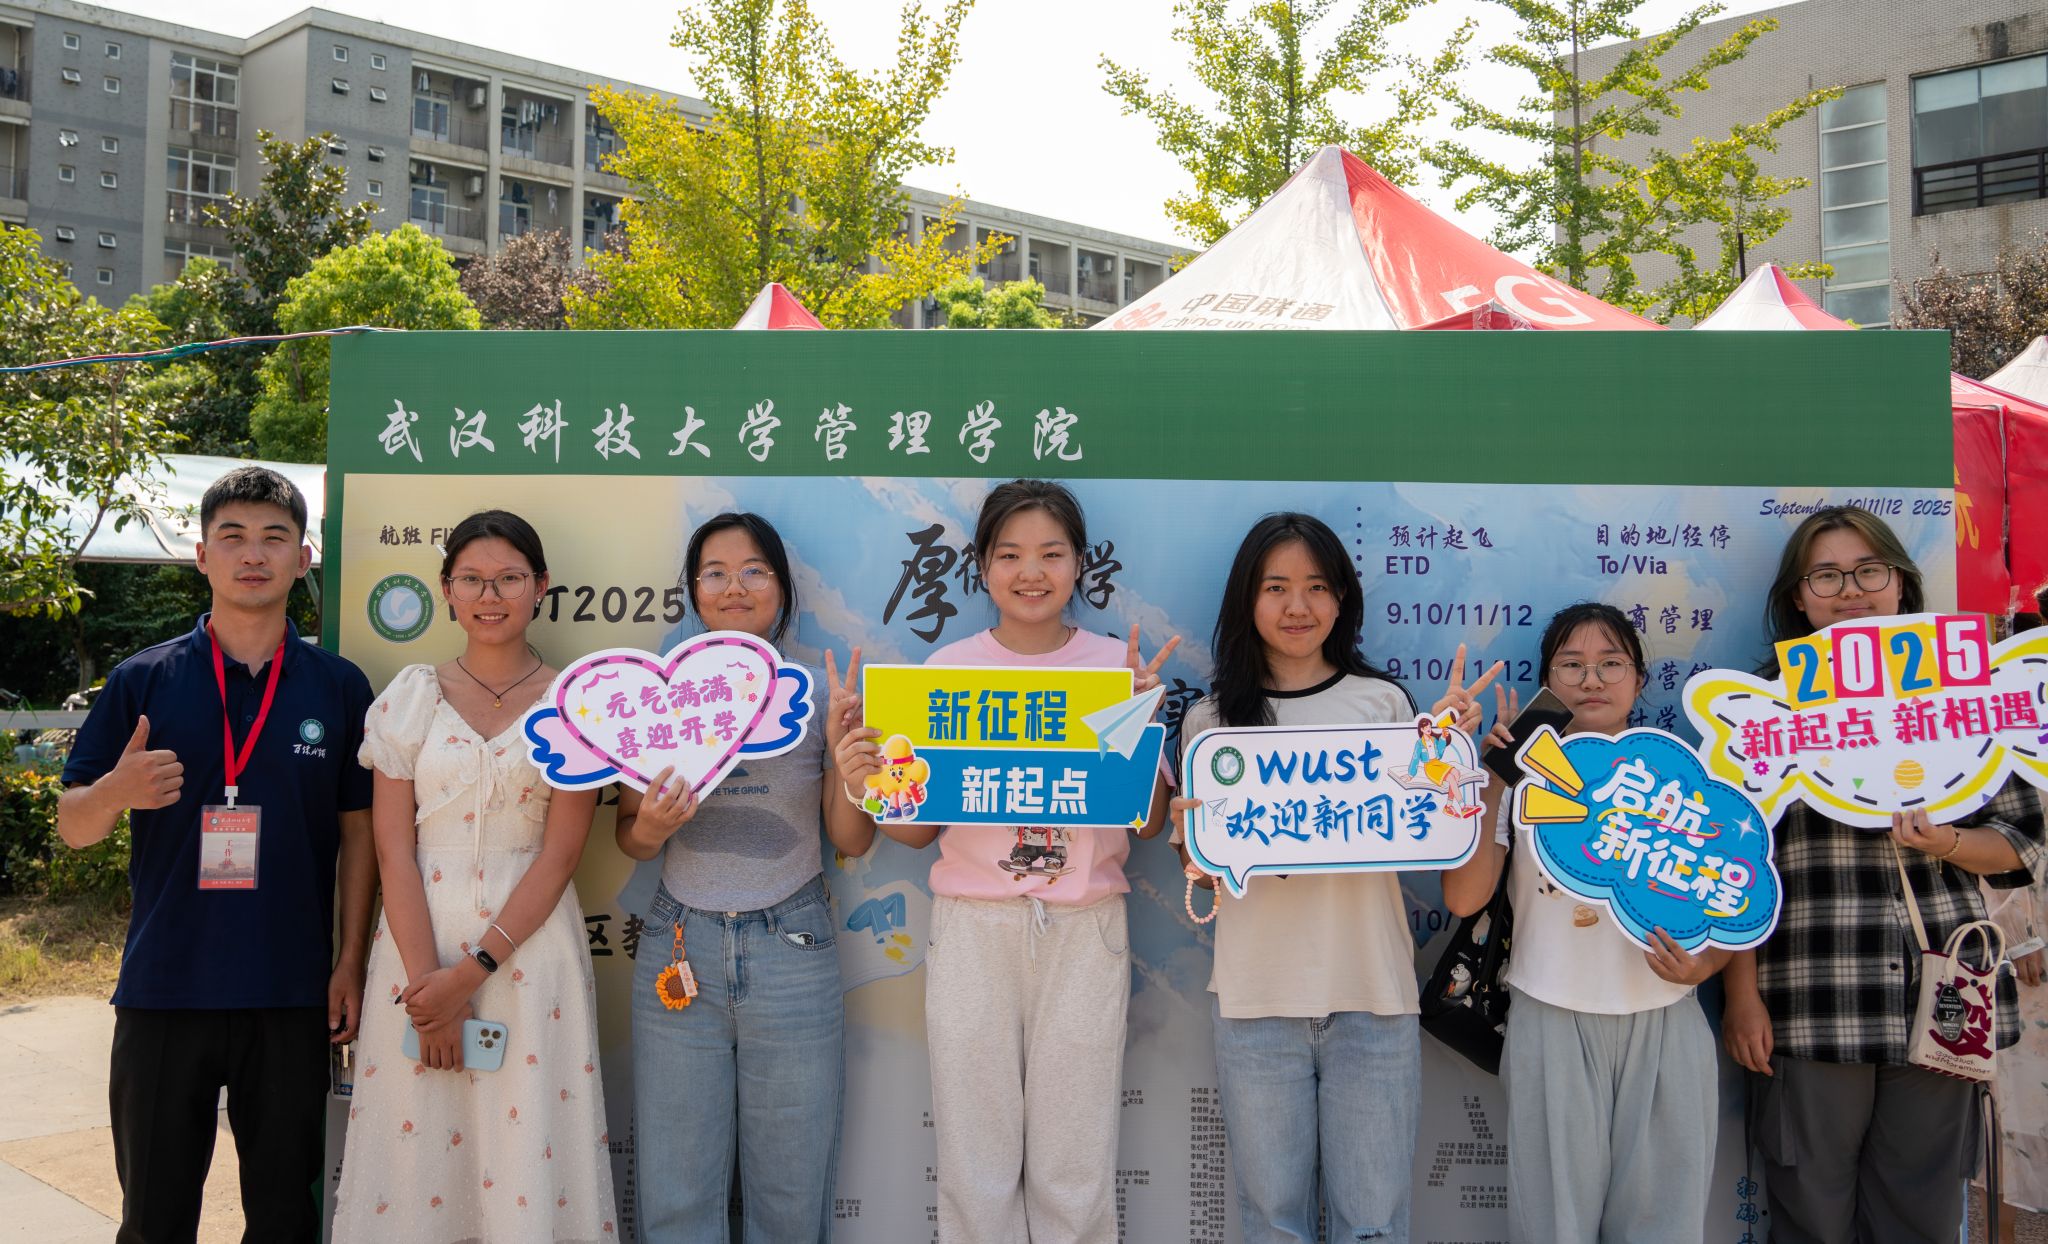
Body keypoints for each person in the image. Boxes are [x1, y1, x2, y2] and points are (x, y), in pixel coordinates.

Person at [839, 478, 1177, 1244]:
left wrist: (1143, 725)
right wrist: (869, 785)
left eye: (1051, 554)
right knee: (974, 1157)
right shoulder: (946, 672)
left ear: (1079, 564)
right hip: (973, 928)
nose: (1031, 572)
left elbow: (1151, 822)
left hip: (1085, 928)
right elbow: (918, 832)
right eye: (1010, 554)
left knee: (1075, 1162)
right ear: (983, 567)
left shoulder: (1115, 669)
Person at [57, 465, 377, 1243]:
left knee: (285, 1219)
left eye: (275, 538)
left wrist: (350, 962)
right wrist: (115, 791)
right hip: (166, 988)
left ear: (304, 559)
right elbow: (73, 825)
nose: (253, 555)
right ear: (202, 556)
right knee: (154, 1219)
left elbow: (361, 836)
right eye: (232, 537)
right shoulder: (143, 680)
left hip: (291, 991)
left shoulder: (339, 688)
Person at [1167, 512, 1495, 1244]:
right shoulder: (1211, 722)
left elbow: (1428, 833)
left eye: (1317, 587)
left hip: (1371, 997)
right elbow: (1203, 876)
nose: (1298, 606)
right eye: (1276, 587)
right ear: (1247, 600)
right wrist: (1195, 846)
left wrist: (1449, 758)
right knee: (1273, 1224)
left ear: (1342, 599)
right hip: (1256, 1003)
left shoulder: (1385, 706)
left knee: (1372, 1226)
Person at [1719, 506, 2044, 1243]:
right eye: (1827, 576)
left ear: (1901, 582)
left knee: (1921, 1212)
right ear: (1798, 596)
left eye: (1868, 571)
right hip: (1810, 996)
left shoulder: (1965, 688)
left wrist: (1948, 841)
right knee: (1810, 1212)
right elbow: (1732, 867)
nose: (1850, 591)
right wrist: (1741, 995)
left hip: (1944, 996)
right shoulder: (1764, 705)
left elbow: (2022, 845)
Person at [332, 509, 618, 1241]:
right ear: (447, 589)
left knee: (526, 1153)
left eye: (509, 579)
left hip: (529, 953)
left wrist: (469, 975)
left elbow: (560, 855)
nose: (490, 596)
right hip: (416, 954)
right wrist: (430, 988)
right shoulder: (410, 698)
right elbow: (394, 850)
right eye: (472, 580)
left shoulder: (577, 704)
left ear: (541, 586)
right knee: (417, 1156)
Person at [615, 512, 875, 1244]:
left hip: (793, 945)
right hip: (678, 944)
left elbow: (850, 840)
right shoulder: (654, 696)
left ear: (783, 589)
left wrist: (848, 767)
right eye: (716, 573)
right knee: (675, 1191)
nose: (736, 587)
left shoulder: (820, 695)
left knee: (791, 1191)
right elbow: (630, 838)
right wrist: (653, 826)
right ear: (693, 590)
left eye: (755, 571)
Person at [1441, 602, 1727, 1244]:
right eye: (1571, 665)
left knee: (1665, 1225)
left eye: (1610, 664)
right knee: (1553, 1224)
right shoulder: (1518, 776)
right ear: (1547, 679)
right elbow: (1463, 898)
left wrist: (1705, 965)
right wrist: (1493, 781)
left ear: (1639, 679)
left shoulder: (1683, 773)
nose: (1591, 680)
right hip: (1550, 1018)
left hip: (1666, 1017)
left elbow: (1735, 898)